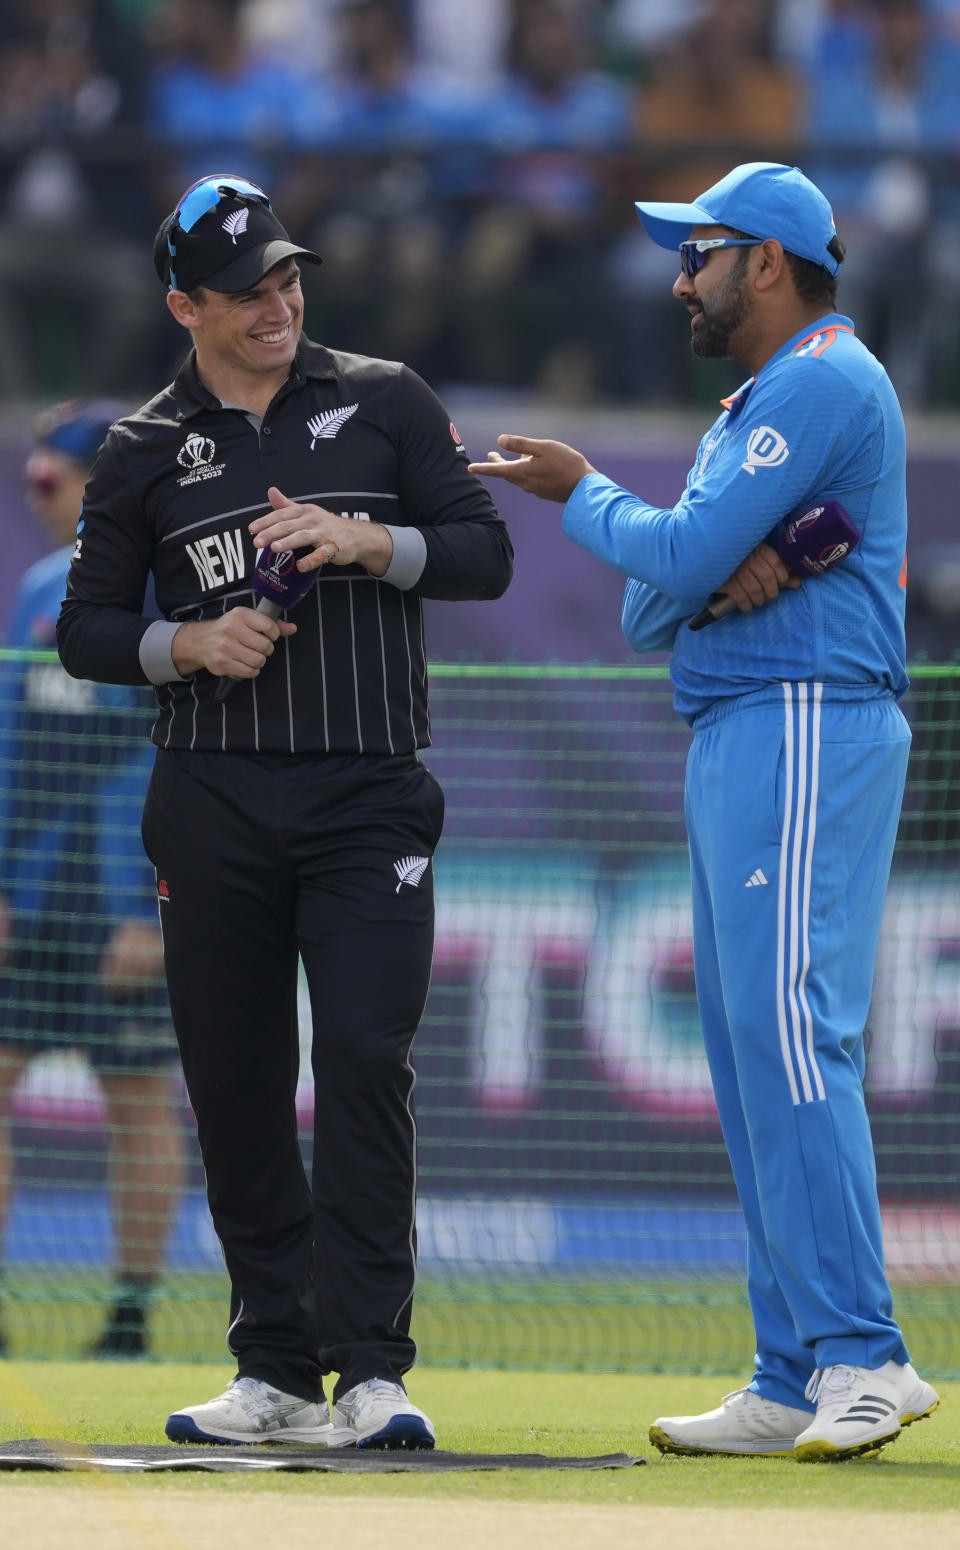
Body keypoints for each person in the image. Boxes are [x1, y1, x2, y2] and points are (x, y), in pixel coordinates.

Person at [468, 160, 939, 1463]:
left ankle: (865, 1352)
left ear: (769, 263)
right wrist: (697, 558)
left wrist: (585, 494)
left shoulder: (823, 379)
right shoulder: (749, 406)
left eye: (702, 252)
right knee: (745, 1061)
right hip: (738, 724)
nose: (681, 276)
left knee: (790, 1030)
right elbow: (649, 604)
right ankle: (791, 1366)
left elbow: (666, 559)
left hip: (803, 716)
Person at [57, 173, 513, 1448]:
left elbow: (483, 553)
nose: (279, 302)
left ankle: (371, 1370)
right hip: (209, 796)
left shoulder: (385, 397)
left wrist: (374, 546)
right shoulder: (144, 445)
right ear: (183, 305)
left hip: (370, 790)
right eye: (247, 289)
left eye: (287, 277)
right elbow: (85, 629)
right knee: (239, 1079)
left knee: (366, 1058)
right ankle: (273, 1368)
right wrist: (188, 646)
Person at [0, 400, 183, 1359]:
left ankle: (128, 1312)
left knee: (137, 1097)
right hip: (31, 903)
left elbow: (175, 759)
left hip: (123, 909)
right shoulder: (36, 590)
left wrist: (151, 904)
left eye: (50, 478)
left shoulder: (163, 597)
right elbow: (10, 752)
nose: (39, 494)